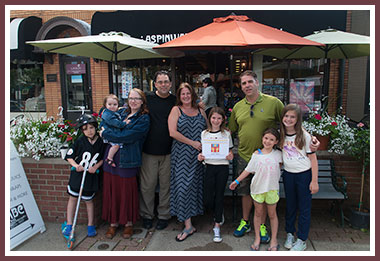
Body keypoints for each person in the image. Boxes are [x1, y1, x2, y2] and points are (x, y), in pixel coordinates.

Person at [229, 70, 320, 241]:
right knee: (246, 192)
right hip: (245, 155)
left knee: (263, 191)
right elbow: (231, 130)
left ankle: (262, 226)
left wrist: (311, 138)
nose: (247, 85)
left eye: (250, 82)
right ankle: (245, 221)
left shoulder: (274, 103)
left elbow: (290, 121)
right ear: (241, 87)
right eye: (243, 83)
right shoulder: (237, 107)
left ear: (257, 83)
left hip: (269, 158)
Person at [100, 88, 150, 239]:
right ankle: (113, 222)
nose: (133, 101)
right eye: (130, 98)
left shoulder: (143, 118)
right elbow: (104, 123)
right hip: (111, 158)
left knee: (127, 192)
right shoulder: (120, 113)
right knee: (112, 190)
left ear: (142, 101)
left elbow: (128, 136)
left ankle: (128, 223)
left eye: (137, 98)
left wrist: (106, 134)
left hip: (129, 160)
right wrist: (106, 131)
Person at [230, 128, 282, 251]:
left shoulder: (279, 155)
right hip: (257, 189)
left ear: (276, 141)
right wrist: (236, 181)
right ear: (262, 138)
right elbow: (248, 170)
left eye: (271, 139)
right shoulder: (256, 155)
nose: (268, 141)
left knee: (272, 215)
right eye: (266, 138)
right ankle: (257, 238)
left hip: (272, 189)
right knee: (258, 213)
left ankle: (274, 240)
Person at [168, 82, 207, 242]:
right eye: (182, 94)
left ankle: (190, 222)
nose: (185, 96)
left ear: (193, 95)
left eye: (188, 93)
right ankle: (187, 225)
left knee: (194, 188)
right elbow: (172, 132)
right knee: (182, 188)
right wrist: (193, 143)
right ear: (179, 96)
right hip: (181, 156)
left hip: (198, 157)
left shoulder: (200, 110)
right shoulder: (176, 110)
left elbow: (209, 129)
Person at [139, 70, 176, 230]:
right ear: (155, 84)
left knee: (166, 186)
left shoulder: (175, 101)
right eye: (160, 82)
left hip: (169, 151)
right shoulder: (147, 99)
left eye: (166, 81)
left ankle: (164, 215)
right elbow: (131, 106)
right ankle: (147, 215)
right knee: (147, 186)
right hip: (149, 151)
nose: (163, 84)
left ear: (170, 83)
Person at [279, 104, 319, 251]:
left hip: (304, 176)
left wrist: (314, 181)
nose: (289, 119)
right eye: (286, 116)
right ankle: (290, 233)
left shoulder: (305, 136)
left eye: (292, 117)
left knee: (304, 208)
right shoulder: (281, 135)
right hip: (288, 175)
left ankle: (302, 239)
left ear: (298, 119)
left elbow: (313, 159)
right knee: (290, 206)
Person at [62, 114, 104, 238]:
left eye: (91, 128)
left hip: (91, 176)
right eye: (85, 129)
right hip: (78, 176)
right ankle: (69, 224)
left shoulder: (101, 142)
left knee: (89, 201)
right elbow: (69, 156)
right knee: (73, 199)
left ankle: (91, 225)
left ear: (95, 127)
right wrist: (76, 165)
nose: (89, 131)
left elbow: (102, 158)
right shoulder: (80, 141)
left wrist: (96, 167)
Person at [197, 107, 234, 243]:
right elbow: (203, 150)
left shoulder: (226, 134)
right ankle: (218, 213)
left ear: (223, 119)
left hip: (222, 167)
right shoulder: (204, 134)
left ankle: (217, 225)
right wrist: (200, 156)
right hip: (209, 167)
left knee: (219, 195)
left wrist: (230, 156)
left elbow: (229, 152)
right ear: (209, 119)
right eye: (213, 118)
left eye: (219, 118)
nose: (216, 120)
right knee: (207, 197)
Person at [100, 94, 128, 167]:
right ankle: (109, 158)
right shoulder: (107, 114)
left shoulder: (113, 113)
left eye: (115, 104)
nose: (112, 106)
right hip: (109, 132)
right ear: (105, 105)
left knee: (116, 145)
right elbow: (115, 123)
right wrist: (124, 123)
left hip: (112, 132)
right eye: (110, 104)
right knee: (116, 145)